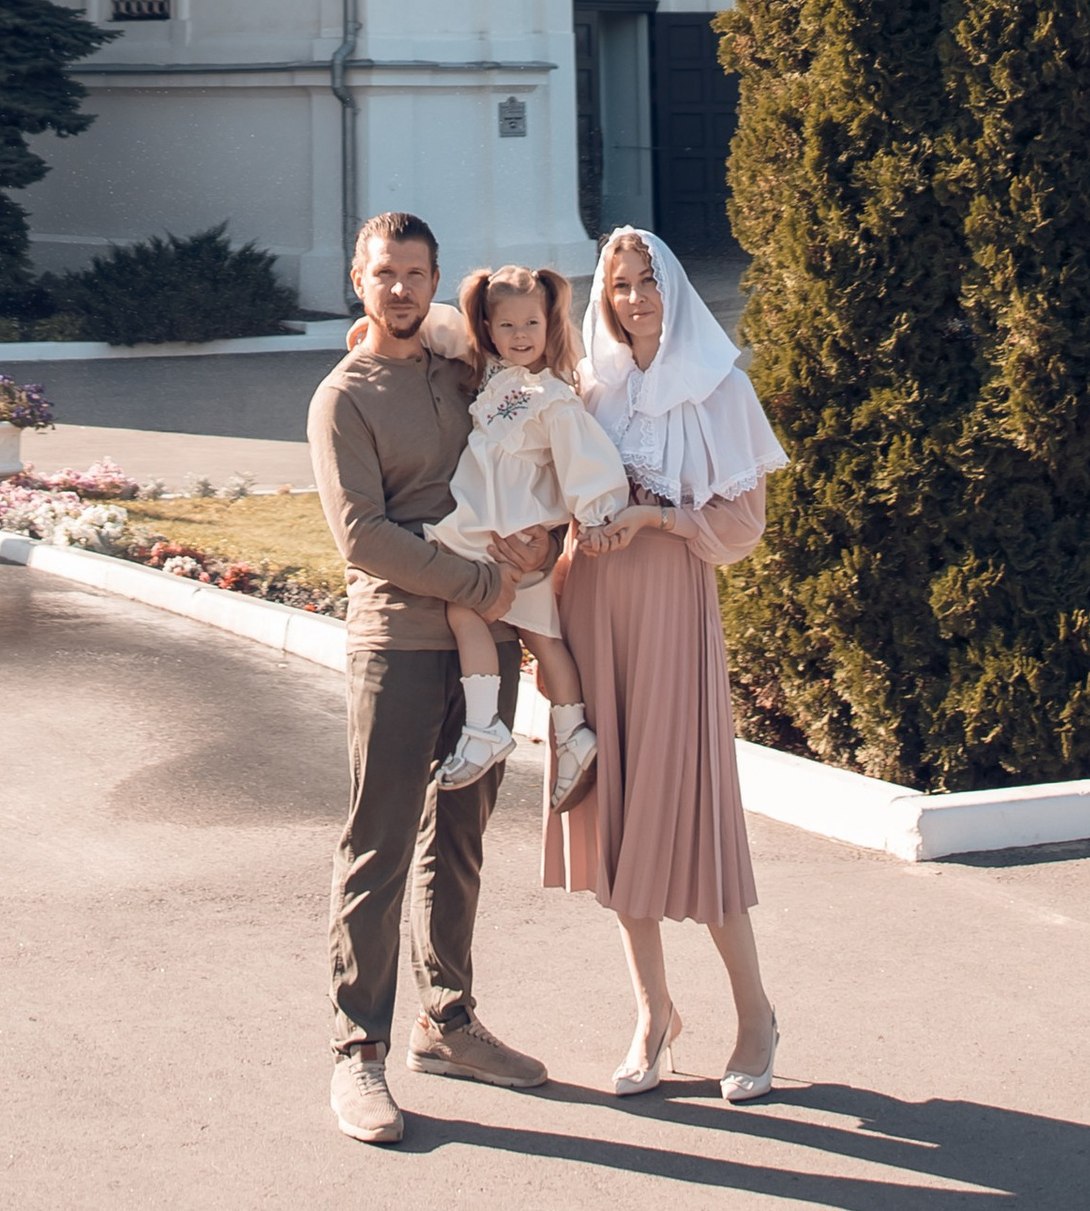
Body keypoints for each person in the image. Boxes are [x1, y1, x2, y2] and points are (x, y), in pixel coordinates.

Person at [308, 209, 556, 1147]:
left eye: (416, 272)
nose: (401, 287)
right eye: (385, 272)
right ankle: (355, 1053)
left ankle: (446, 1021)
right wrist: (486, 582)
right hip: (399, 642)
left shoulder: (464, 371)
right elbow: (363, 535)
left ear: (437, 280)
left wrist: (544, 541)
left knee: (459, 837)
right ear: (358, 280)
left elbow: (526, 460)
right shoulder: (344, 396)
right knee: (377, 841)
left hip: (484, 643)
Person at [542, 225, 789, 1105]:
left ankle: (755, 1014)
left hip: (671, 611)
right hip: (592, 606)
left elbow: (742, 524)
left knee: (690, 815)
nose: (635, 298)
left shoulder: (720, 389)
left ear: (673, 289)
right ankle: (654, 1014)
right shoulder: (589, 386)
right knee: (613, 811)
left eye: (648, 281)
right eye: (619, 284)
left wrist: (654, 520)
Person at [351, 264, 629, 804]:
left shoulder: (553, 397)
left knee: (466, 611)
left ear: (551, 326)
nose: (521, 336)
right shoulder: (488, 372)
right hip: (500, 521)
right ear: (489, 328)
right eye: (507, 327)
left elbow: (585, 460)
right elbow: (445, 327)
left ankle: (485, 728)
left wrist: (598, 511)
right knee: (542, 635)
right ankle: (573, 733)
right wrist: (372, 330)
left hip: (500, 526)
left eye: (532, 324)